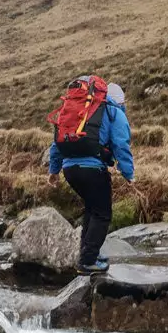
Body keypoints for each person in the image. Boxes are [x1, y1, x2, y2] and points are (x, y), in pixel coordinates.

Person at [48, 79, 135, 273]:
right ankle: (87, 261)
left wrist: (54, 171)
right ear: (120, 101)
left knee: (91, 210)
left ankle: (88, 254)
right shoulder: (113, 112)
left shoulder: (79, 114)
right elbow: (121, 145)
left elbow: (56, 143)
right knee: (102, 214)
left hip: (70, 170)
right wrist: (129, 174)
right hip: (93, 170)